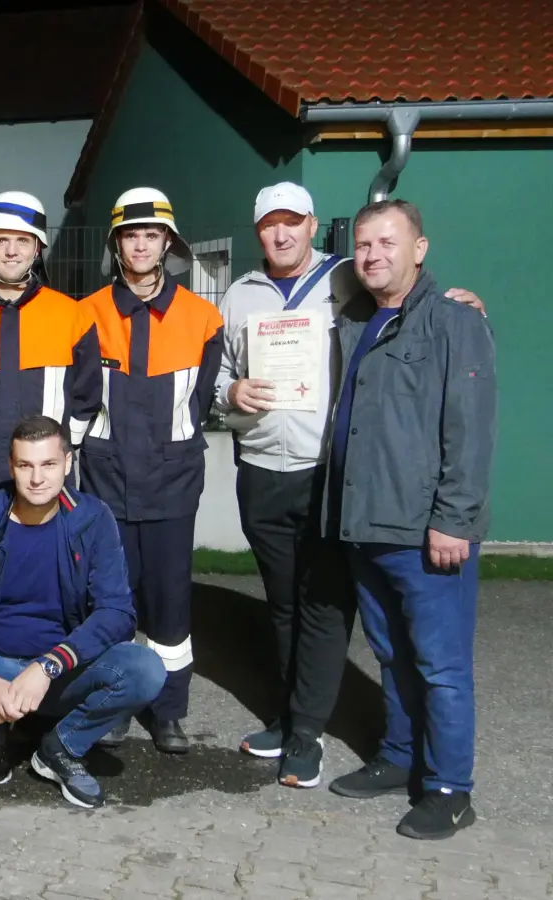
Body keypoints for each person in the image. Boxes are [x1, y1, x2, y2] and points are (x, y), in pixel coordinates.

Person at [216, 184, 486, 788]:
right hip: (268, 471)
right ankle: (302, 723)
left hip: (333, 479)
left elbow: (417, 310)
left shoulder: (348, 281)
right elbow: (222, 377)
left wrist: (462, 301)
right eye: (269, 225)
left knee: (342, 616)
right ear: (257, 230)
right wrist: (229, 395)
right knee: (300, 612)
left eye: (293, 223)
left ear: (313, 225)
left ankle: (324, 737)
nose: (281, 235)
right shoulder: (240, 296)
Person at [322, 199, 495, 841]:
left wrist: (455, 519)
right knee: (392, 655)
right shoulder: (360, 322)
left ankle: (450, 789)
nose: (372, 255)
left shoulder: (454, 322)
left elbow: (470, 431)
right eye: (363, 245)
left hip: (427, 533)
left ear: (419, 249)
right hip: (366, 526)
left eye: (387, 243)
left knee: (441, 666)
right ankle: (400, 758)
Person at [0, 416, 164, 808]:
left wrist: (48, 666)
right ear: (11, 466)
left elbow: (118, 612)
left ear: (68, 463)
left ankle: (60, 748)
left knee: (145, 669)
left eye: (49, 464)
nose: (37, 478)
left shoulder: (93, 519)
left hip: (59, 666)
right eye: (25, 465)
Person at [77, 187, 222, 754]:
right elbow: (81, 400)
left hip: (171, 485)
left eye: (151, 235)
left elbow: (206, 399)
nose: (141, 245)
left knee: (169, 604)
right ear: (117, 244)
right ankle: (114, 703)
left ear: (168, 242)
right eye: (130, 235)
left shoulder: (203, 318)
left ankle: (167, 712)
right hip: (106, 483)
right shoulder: (87, 313)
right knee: (111, 601)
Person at [0, 192, 101, 528]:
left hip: (44, 486)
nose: (11, 251)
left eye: (22, 241)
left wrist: (57, 452)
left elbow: (87, 395)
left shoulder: (72, 316)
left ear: (37, 248)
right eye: (1, 240)